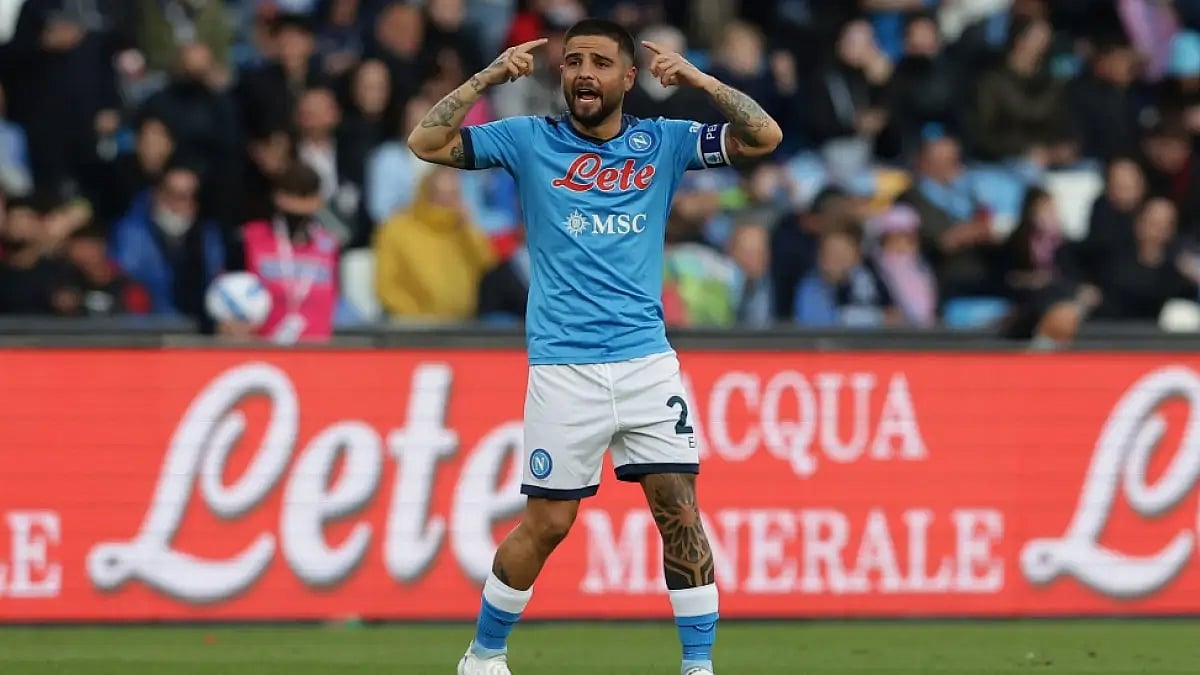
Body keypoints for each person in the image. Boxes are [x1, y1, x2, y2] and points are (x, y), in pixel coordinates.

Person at [407, 17, 782, 675]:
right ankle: (483, 655)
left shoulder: (663, 142)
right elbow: (426, 140)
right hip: (565, 366)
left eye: (600, 62)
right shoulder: (528, 140)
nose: (584, 72)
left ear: (627, 77)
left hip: (645, 362)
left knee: (680, 512)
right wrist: (488, 77)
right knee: (549, 524)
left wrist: (697, 79)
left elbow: (764, 136)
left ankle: (698, 667)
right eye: (573, 61)